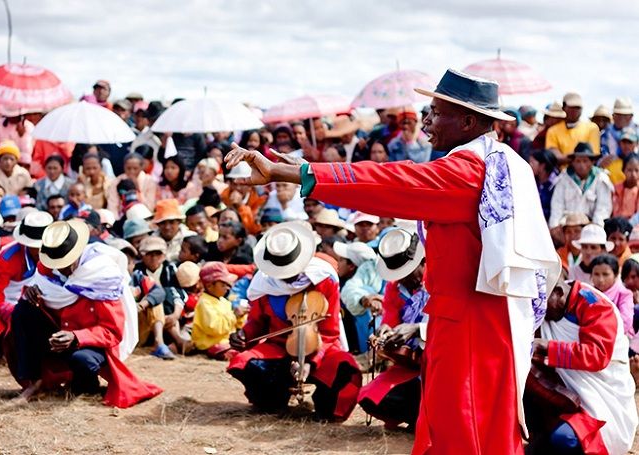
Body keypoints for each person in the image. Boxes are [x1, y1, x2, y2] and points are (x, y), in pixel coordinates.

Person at [225, 69, 561, 454]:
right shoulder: (499, 163)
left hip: (468, 324)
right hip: (479, 317)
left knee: (462, 429)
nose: (427, 120)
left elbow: (387, 182)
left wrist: (295, 171)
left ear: (469, 121)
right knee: (476, 424)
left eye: (436, 111)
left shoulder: (468, 170)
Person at [10, 219, 162, 406]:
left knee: (82, 360)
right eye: (56, 263)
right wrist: (32, 292)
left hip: (89, 343)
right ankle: (34, 382)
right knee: (22, 311)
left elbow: (112, 331)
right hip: (59, 333)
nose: (60, 268)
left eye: (64, 263)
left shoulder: (101, 275)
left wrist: (76, 337)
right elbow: (42, 291)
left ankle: (86, 385)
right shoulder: (48, 269)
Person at [227, 221, 362, 421]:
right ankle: (273, 399)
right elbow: (256, 323)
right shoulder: (263, 284)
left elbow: (329, 331)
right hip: (279, 346)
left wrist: (311, 362)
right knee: (245, 364)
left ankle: (327, 409)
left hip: (319, 346)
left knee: (345, 367)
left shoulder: (324, 279)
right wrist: (243, 335)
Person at [526, 280, 638, 455]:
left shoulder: (595, 304)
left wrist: (550, 348)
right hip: (564, 394)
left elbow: (597, 355)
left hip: (600, 401)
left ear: (558, 292)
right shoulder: (549, 313)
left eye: (544, 305)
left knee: (565, 438)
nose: (542, 314)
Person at [357, 227, 428, 430]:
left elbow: (451, 325)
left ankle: (428, 418)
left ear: (422, 262)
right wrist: (385, 331)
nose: (403, 279)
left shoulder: (441, 281)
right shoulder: (394, 288)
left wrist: (416, 329)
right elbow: (391, 320)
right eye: (399, 275)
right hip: (410, 363)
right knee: (370, 398)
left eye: (407, 272)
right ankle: (418, 416)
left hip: (441, 362)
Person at [0, 211, 52, 359]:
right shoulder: (8, 258)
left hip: (48, 304)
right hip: (10, 306)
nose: (40, 250)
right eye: (36, 246)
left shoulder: (57, 254)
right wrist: (15, 313)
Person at [134, 236, 187, 356]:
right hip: (145, 317)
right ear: (142, 255)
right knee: (156, 297)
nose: (154, 258)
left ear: (163, 255)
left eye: (157, 254)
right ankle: (170, 341)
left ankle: (175, 340)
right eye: (149, 254)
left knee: (168, 292)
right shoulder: (138, 271)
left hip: (169, 314)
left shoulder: (169, 268)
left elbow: (178, 292)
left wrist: (175, 314)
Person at [549, 142, 613, 228]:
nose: (581, 165)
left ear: (592, 162)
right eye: (578, 161)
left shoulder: (601, 179)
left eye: (585, 161)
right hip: (567, 227)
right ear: (573, 162)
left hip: (591, 226)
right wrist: (554, 227)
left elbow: (603, 209)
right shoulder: (563, 179)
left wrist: (595, 228)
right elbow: (557, 207)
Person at [192, 262, 247, 359]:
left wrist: (241, 317)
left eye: (228, 284)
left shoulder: (224, 301)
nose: (227, 288)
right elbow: (215, 329)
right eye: (223, 285)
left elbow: (234, 326)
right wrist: (234, 315)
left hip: (226, 341)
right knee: (235, 352)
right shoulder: (204, 303)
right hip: (211, 344)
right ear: (209, 285)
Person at [545, 92, 601, 162]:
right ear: (564, 108)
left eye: (578, 108)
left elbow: (593, 155)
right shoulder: (553, 130)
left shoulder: (592, 128)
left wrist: (569, 158)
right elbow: (554, 155)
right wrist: (579, 158)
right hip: (562, 172)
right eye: (571, 107)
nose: (575, 111)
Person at [590, 254, 635, 338]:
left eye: (605, 274)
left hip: (619, 338)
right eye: (596, 274)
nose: (601, 279)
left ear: (615, 274)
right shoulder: (588, 292)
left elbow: (625, 322)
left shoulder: (624, 294)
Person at [221, 161, 267, 236]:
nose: (238, 188)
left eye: (242, 184)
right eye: (235, 184)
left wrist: (240, 206)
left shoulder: (259, 199)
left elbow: (253, 229)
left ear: (250, 185)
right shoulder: (224, 196)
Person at [529, 149, 559, 222]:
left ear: (542, 166)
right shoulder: (532, 181)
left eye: (532, 162)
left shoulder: (556, 184)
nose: (529, 165)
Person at [612, 153, 639, 218]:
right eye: (629, 170)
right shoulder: (615, 189)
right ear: (623, 170)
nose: (633, 174)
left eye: (637, 170)